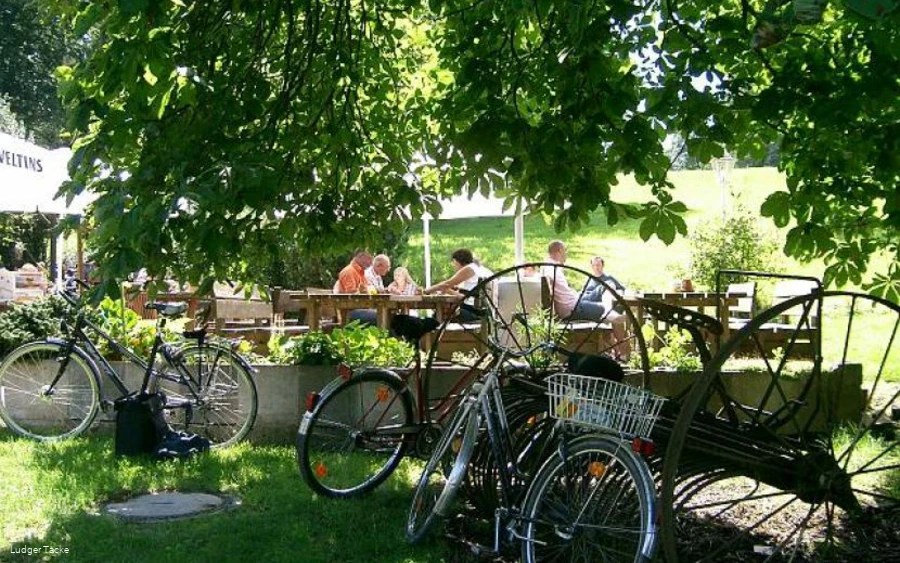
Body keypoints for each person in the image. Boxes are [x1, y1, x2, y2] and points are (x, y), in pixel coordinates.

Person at [540, 240, 607, 322]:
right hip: (572, 309)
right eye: (565, 251)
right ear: (560, 251)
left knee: (599, 292)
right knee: (605, 309)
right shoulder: (552, 269)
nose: (566, 255)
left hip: (573, 302)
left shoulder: (548, 266)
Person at [423, 248, 490, 322]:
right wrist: (449, 290)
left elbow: (446, 284)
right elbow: (465, 294)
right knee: (441, 310)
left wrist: (426, 291)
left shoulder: (469, 268)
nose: (453, 265)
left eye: (454, 262)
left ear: (458, 261)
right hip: (479, 308)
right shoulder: (477, 268)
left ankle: (435, 332)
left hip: (473, 310)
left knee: (440, 313)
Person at [336, 250, 377, 325]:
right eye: (369, 259)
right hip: (349, 313)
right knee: (384, 316)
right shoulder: (349, 272)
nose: (371, 263)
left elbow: (366, 291)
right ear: (359, 257)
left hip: (361, 310)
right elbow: (350, 297)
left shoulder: (361, 272)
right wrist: (361, 292)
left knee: (389, 315)